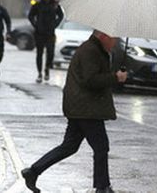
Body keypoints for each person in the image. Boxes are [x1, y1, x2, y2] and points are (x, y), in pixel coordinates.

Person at [21, 30, 128, 193]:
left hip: (81, 106)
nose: (115, 43)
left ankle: (33, 171)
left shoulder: (95, 49)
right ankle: (102, 187)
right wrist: (115, 77)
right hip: (86, 108)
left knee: (69, 146)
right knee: (101, 147)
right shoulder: (90, 51)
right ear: (104, 36)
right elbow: (90, 80)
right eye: (114, 38)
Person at [28, 0, 64, 83]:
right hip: (39, 33)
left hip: (50, 32)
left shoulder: (55, 5)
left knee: (50, 53)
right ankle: (39, 73)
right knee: (39, 53)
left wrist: (55, 24)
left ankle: (47, 68)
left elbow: (61, 15)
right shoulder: (38, 5)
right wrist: (35, 24)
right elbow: (31, 15)